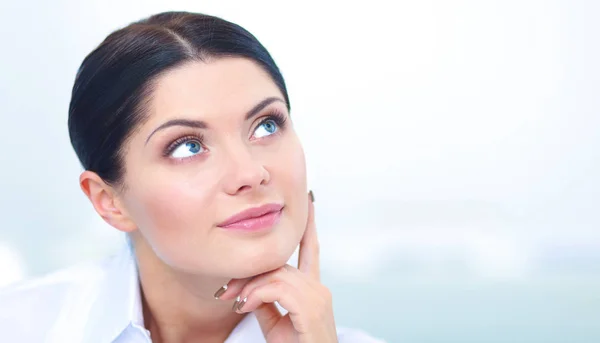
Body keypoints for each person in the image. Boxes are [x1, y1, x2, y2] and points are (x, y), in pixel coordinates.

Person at [0, 11, 384, 343]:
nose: (250, 173)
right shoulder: (20, 326)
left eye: (266, 126)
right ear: (109, 201)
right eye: (187, 146)